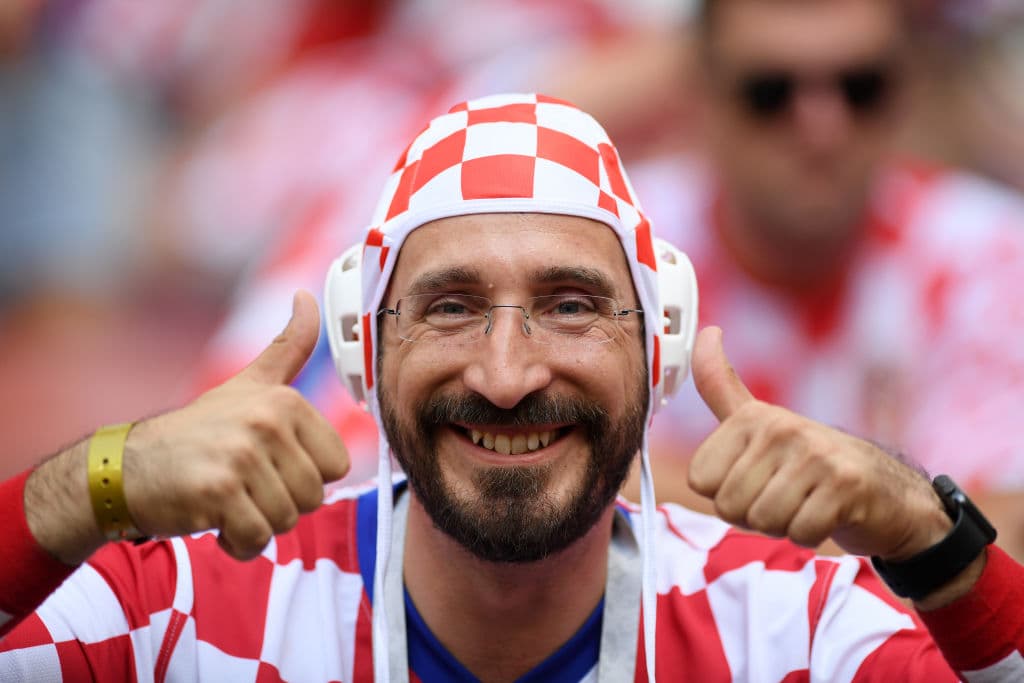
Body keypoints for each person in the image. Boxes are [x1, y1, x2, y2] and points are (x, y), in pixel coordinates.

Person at [2, 93, 1023, 681]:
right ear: (365, 349)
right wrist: (94, 482)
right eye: (449, 307)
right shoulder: (182, 611)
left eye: (570, 305)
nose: (504, 374)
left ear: (658, 345)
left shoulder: (793, 630)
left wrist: (925, 532)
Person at [629, 0, 1024, 559]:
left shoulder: (997, 254)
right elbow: (578, 490)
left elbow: (1008, 538)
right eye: (770, 93)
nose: (822, 129)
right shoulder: (621, 245)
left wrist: (681, 501)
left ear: (907, 89)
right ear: (699, 96)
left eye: (861, 88)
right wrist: (907, 528)